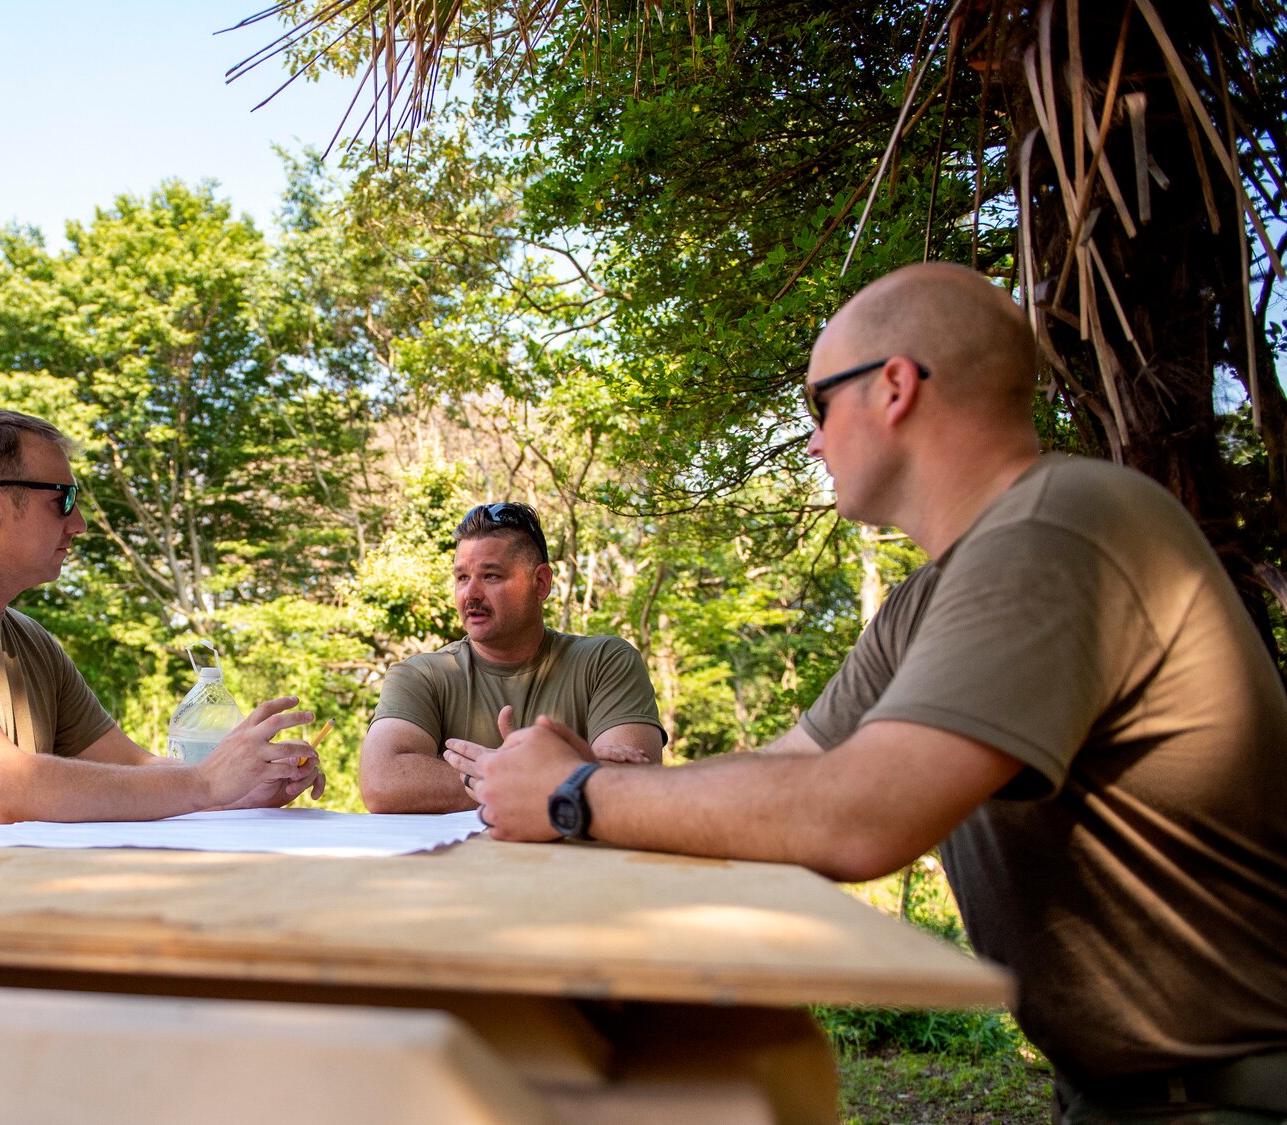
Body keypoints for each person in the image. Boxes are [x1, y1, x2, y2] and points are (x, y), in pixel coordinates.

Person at [457, 262, 1287, 1122]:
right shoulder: (933, 596)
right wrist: (581, 772)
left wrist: (575, 794)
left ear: (893, 387)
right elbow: (788, 778)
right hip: (1126, 1093)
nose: (813, 441)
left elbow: (858, 814)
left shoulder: (1058, 527)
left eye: (820, 403)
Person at [0, 408, 321, 835]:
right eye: (63, 500)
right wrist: (206, 784)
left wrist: (243, 784)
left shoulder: (29, 640)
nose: (80, 524)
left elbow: (129, 768)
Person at [358, 502, 663, 814]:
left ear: (541, 583)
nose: (470, 594)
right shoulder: (420, 675)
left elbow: (629, 785)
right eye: (462, 577)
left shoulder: (605, 662)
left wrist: (503, 777)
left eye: (490, 575)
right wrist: (553, 777)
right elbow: (382, 783)